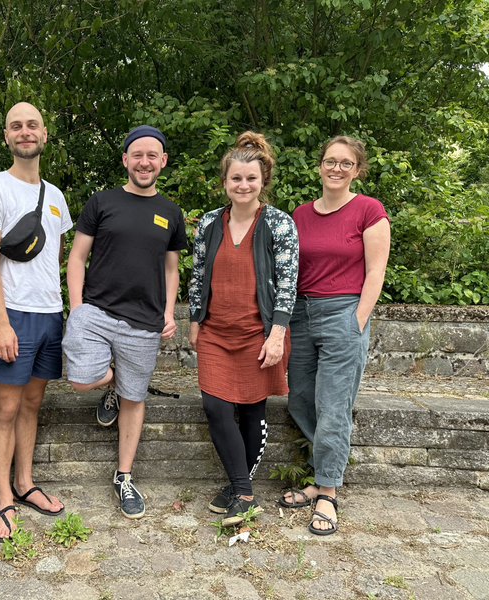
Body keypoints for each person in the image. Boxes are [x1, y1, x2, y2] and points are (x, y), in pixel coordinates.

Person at [63, 125, 187, 519]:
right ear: (125, 160)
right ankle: (115, 380)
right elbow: (77, 257)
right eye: (137, 155)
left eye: (152, 155)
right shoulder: (101, 202)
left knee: (135, 399)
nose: (145, 161)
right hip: (97, 312)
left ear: (163, 161)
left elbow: (171, 269)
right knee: (80, 379)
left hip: (144, 323)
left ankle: (124, 477)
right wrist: (78, 308)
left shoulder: (171, 212)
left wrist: (168, 312)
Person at [278, 136, 390, 536]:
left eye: (346, 163)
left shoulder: (368, 210)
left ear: (357, 169)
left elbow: (375, 272)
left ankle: (327, 490)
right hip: (302, 316)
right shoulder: (300, 214)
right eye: (330, 161)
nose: (336, 168)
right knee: (301, 400)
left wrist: (357, 321)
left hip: (344, 311)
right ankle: (326, 472)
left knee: (333, 405)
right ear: (320, 166)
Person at [188, 132, 299, 526]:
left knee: (253, 412)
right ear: (225, 182)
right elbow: (198, 275)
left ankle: (239, 488)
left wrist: (278, 334)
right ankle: (243, 489)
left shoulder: (279, 224)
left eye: (251, 178)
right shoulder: (208, 224)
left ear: (262, 180)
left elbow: (288, 282)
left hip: (259, 333)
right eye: (236, 178)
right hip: (217, 332)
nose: (243, 185)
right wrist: (194, 319)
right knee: (216, 407)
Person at [0, 102, 73, 541]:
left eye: (32, 124)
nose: (25, 132)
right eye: (16, 126)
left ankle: (25, 482)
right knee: (7, 408)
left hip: (50, 315)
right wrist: (0, 324)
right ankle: (3, 499)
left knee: (33, 404)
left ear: (44, 134)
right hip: (12, 315)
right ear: (7, 137)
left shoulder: (55, 196)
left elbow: (58, 257)